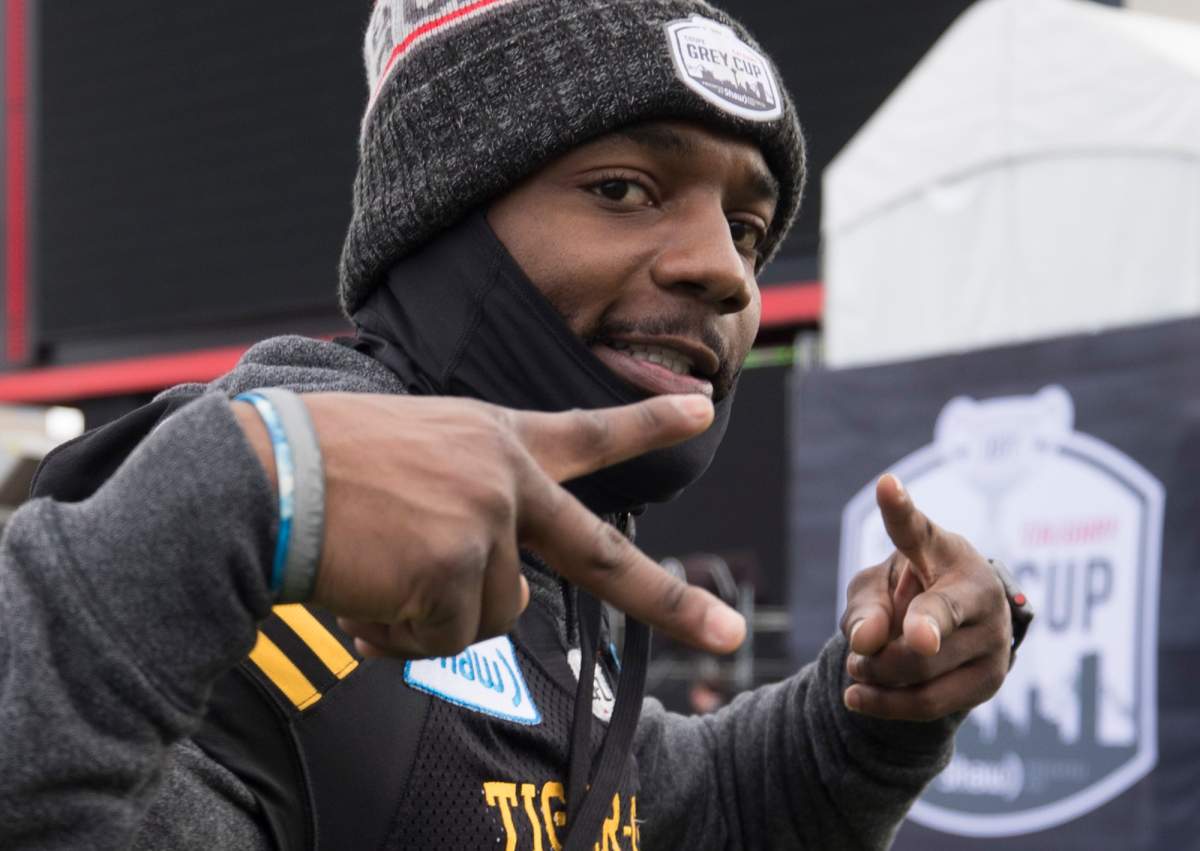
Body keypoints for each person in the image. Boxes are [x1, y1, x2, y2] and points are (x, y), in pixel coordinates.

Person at [0, 2, 1027, 849]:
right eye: (623, 189)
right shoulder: (243, 579)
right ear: (438, 222)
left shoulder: (547, 572)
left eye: (748, 230)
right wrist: (239, 498)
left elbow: (683, 808)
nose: (725, 270)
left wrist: (869, 717)